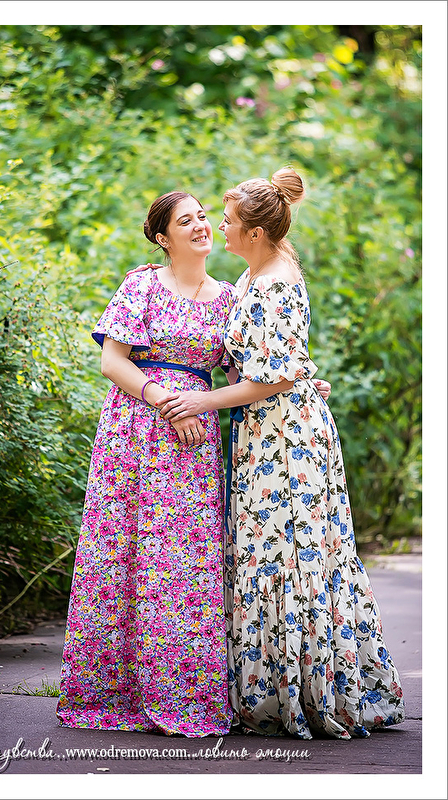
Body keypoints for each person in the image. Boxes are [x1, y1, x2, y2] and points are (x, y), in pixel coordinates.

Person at [156, 168, 406, 740]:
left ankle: (305, 695)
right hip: (264, 431)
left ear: (256, 233)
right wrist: (302, 379)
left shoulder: (274, 283)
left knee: (288, 554)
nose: (219, 228)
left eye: (227, 222)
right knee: (269, 553)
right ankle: (275, 690)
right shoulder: (255, 274)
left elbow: (273, 375)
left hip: (284, 440)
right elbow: (281, 358)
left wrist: (205, 400)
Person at [56, 191, 241, 737]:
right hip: (134, 431)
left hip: (192, 442)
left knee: (183, 564)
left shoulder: (230, 299)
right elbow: (112, 360)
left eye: (203, 216)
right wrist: (165, 401)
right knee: (122, 554)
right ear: (163, 237)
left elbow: (244, 376)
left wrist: (300, 389)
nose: (201, 226)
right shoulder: (141, 285)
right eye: (186, 221)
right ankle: (110, 692)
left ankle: (182, 694)